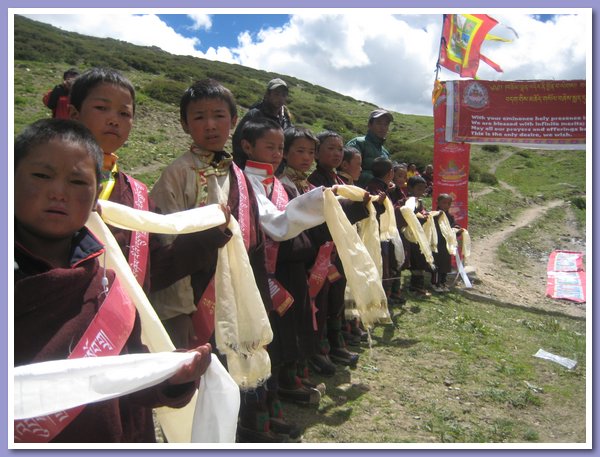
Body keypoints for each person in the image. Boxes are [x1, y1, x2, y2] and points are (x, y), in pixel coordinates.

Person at [13, 118, 212, 443]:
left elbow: (126, 378)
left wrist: (171, 378)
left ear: (96, 199)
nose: (58, 192)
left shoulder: (105, 284)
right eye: (41, 175)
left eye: (78, 182)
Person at [149, 79, 289, 443]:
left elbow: (253, 235)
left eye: (218, 116)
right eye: (199, 117)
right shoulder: (177, 173)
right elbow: (163, 236)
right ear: (184, 124)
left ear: (233, 120)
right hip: (192, 292)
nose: (210, 125)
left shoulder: (239, 175)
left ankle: (240, 429)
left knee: (233, 362)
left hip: (233, 287)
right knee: (201, 371)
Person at [68, 68, 232, 348]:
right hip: (66, 322)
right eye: (101, 108)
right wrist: (177, 311)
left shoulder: (136, 193)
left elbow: (156, 265)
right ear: (73, 115)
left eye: (124, 113)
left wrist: (210, 234)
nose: (113, 120)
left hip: (125, 322)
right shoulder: (47, 176)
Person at [308, 130, 369, 369]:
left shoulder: (340, 182)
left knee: (336, 298)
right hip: (322, 250)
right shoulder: (315, 181)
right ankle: (321, 347)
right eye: (330, 148)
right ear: (317, 152)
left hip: (339, 249)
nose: (336, 153)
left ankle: (335, 342)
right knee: (322, 300)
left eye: (339, 149)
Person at [231, 77, 292, 164]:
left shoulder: (286, 119)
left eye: (284, 95)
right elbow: (238, 142)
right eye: (276, 94)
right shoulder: (254, 115)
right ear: (267, 94)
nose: (280, 98)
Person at [345, 108, 394, 188]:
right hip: (358, 194)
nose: (382, 127)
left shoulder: (385, 152)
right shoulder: (358, 143)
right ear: (369, 125)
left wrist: (391, 183)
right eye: (379, 123)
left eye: (386, 124)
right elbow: (347, 172)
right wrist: (378, 182)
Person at [402, 175, 432, 297]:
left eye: (423, 189)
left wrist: (425, 214)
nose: (422, 191)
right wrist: (420, 216)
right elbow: (410, 215)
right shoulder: (409, 202)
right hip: (410, 235)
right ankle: (415, 287)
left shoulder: (419, 202)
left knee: (420, 259)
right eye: (419, 188)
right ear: (410, 188)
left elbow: (421, 211)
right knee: (415, 261)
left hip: (418, 236)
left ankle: (418, 285)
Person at [431, 193, 463, 292]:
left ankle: (443, 282)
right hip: (436, 244)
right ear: (438, 203)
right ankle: (435, 283)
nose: (446, 205)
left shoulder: (449, 216)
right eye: (444, 203)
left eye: (449, 203)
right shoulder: (433, 215)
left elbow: (453, 226)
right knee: (436, 264)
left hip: (446, 245)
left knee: (445, 264)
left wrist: (457, 229)